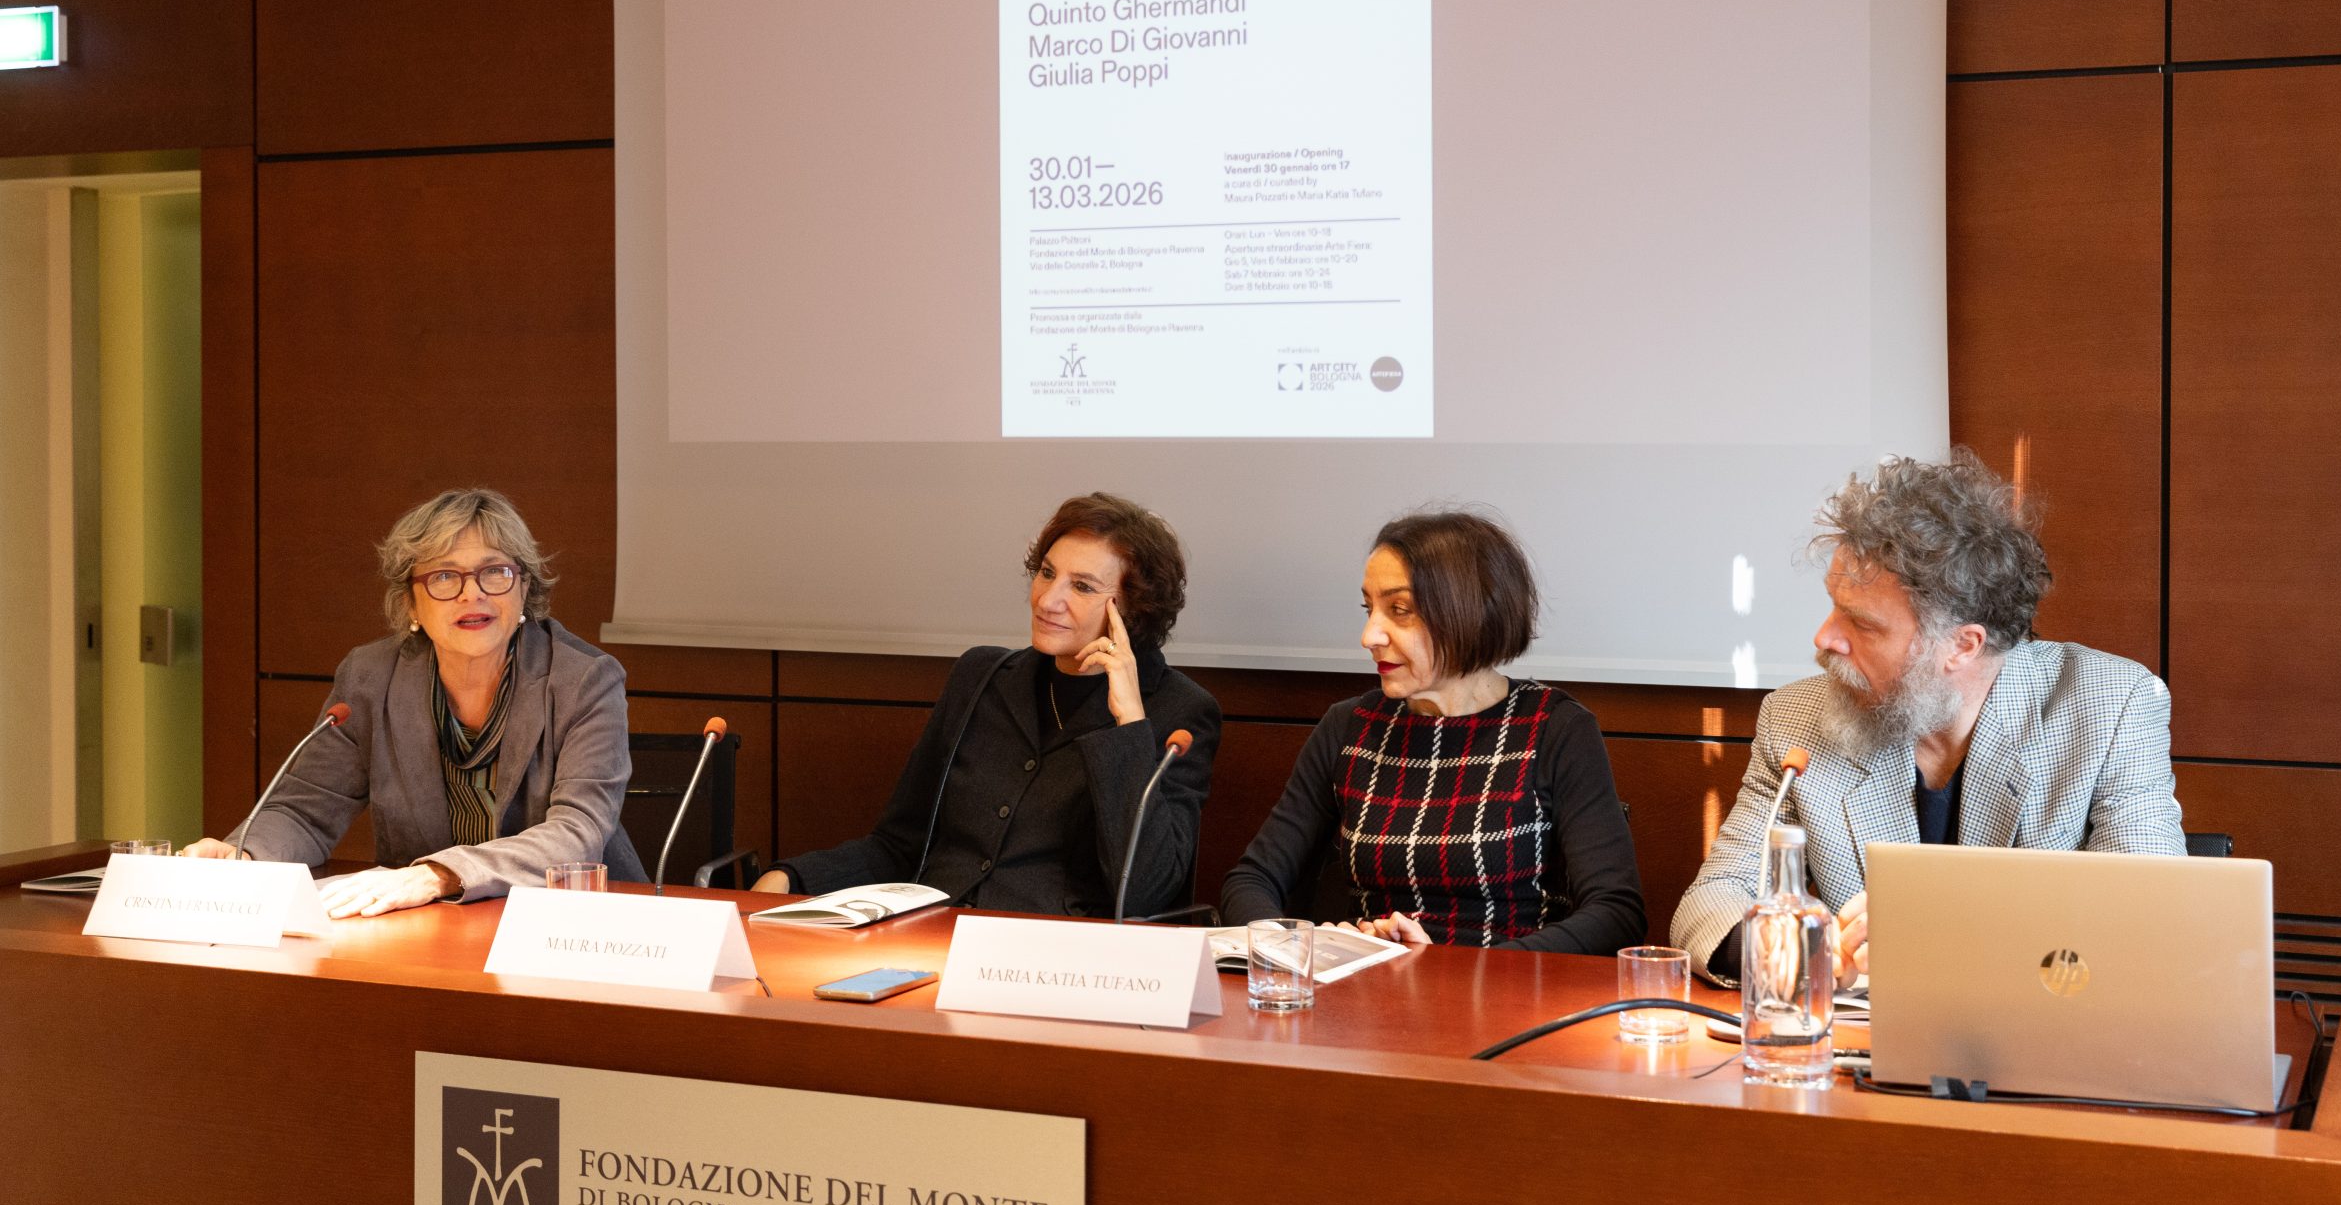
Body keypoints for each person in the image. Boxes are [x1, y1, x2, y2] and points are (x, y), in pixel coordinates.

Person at [1668, 450, 2184, 983]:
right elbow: (1711, 903)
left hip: (2038, 1023)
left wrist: (1949, 935)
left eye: (1862, 624)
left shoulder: (2109, 705)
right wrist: (1800, 951)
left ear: (1962, 645)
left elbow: (2150, 918)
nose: (1824, 638)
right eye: (1833, 606)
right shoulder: (1797, 718)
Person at [180, 488, 645, 916]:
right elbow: (304, 812)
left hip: (571, 926)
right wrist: (244, 855)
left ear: (525, 587)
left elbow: (577, 833)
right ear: (410, 603)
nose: (472, 593)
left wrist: (437, 875)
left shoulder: (584, 680)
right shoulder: (370, 677)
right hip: (432, 925)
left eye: (495, 572)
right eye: (444, 576)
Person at [755, 493, 1219, 917]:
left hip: (1056, 954)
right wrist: (793, 877)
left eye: (1082, 587)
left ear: (1135, 608)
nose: (1048, 600)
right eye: (1047, 573)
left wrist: (1129, 726)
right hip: (931, 932)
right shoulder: (982, 676)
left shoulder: (1179, 711)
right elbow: (901, 844)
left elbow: (1145, 893)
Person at [1221, 510, 1645, 954]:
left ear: (1469, 613)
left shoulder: (1554, 727)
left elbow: (1616, 914)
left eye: (1399, 610)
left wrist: (1454, 968)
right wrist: (1304, 951)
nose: (1369, 635)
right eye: (1369, 609)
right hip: (1368, 985)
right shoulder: (1349, 726)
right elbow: (1251, 880)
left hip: (1506, 987)